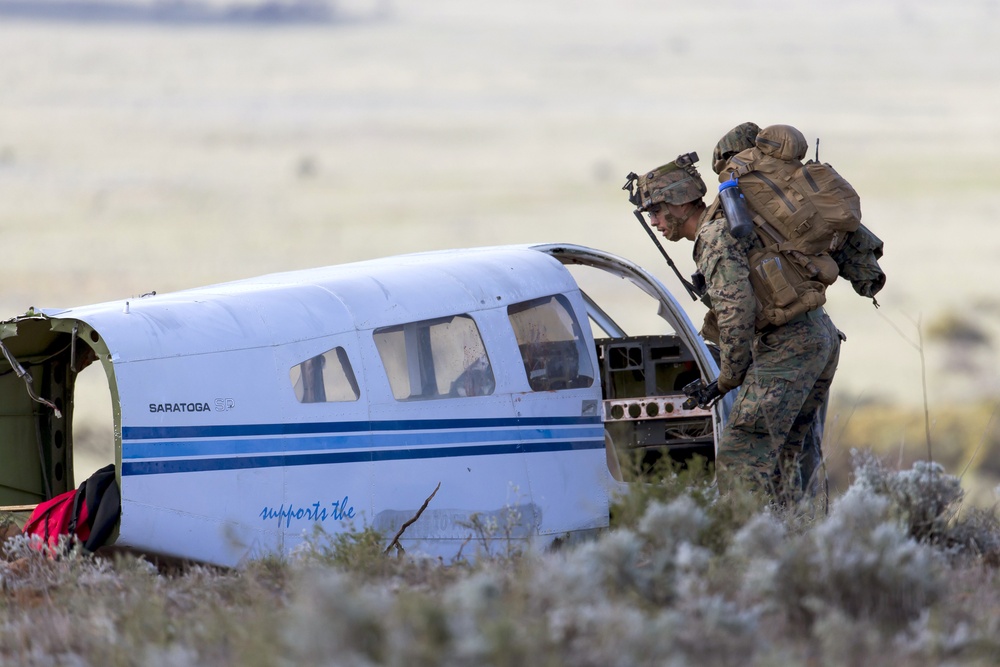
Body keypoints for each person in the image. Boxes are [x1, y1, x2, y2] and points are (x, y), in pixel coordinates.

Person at [625, 142, 841, 505]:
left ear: (680, 203)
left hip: (788, 347)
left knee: (741, 456)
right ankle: (797, 538)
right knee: (791, 458)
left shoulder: (712, 238)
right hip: (818, 335)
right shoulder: (728, 223)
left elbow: (736, 312)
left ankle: (748, 548)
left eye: (658, 211)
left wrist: (726, 378)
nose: (655, 222)